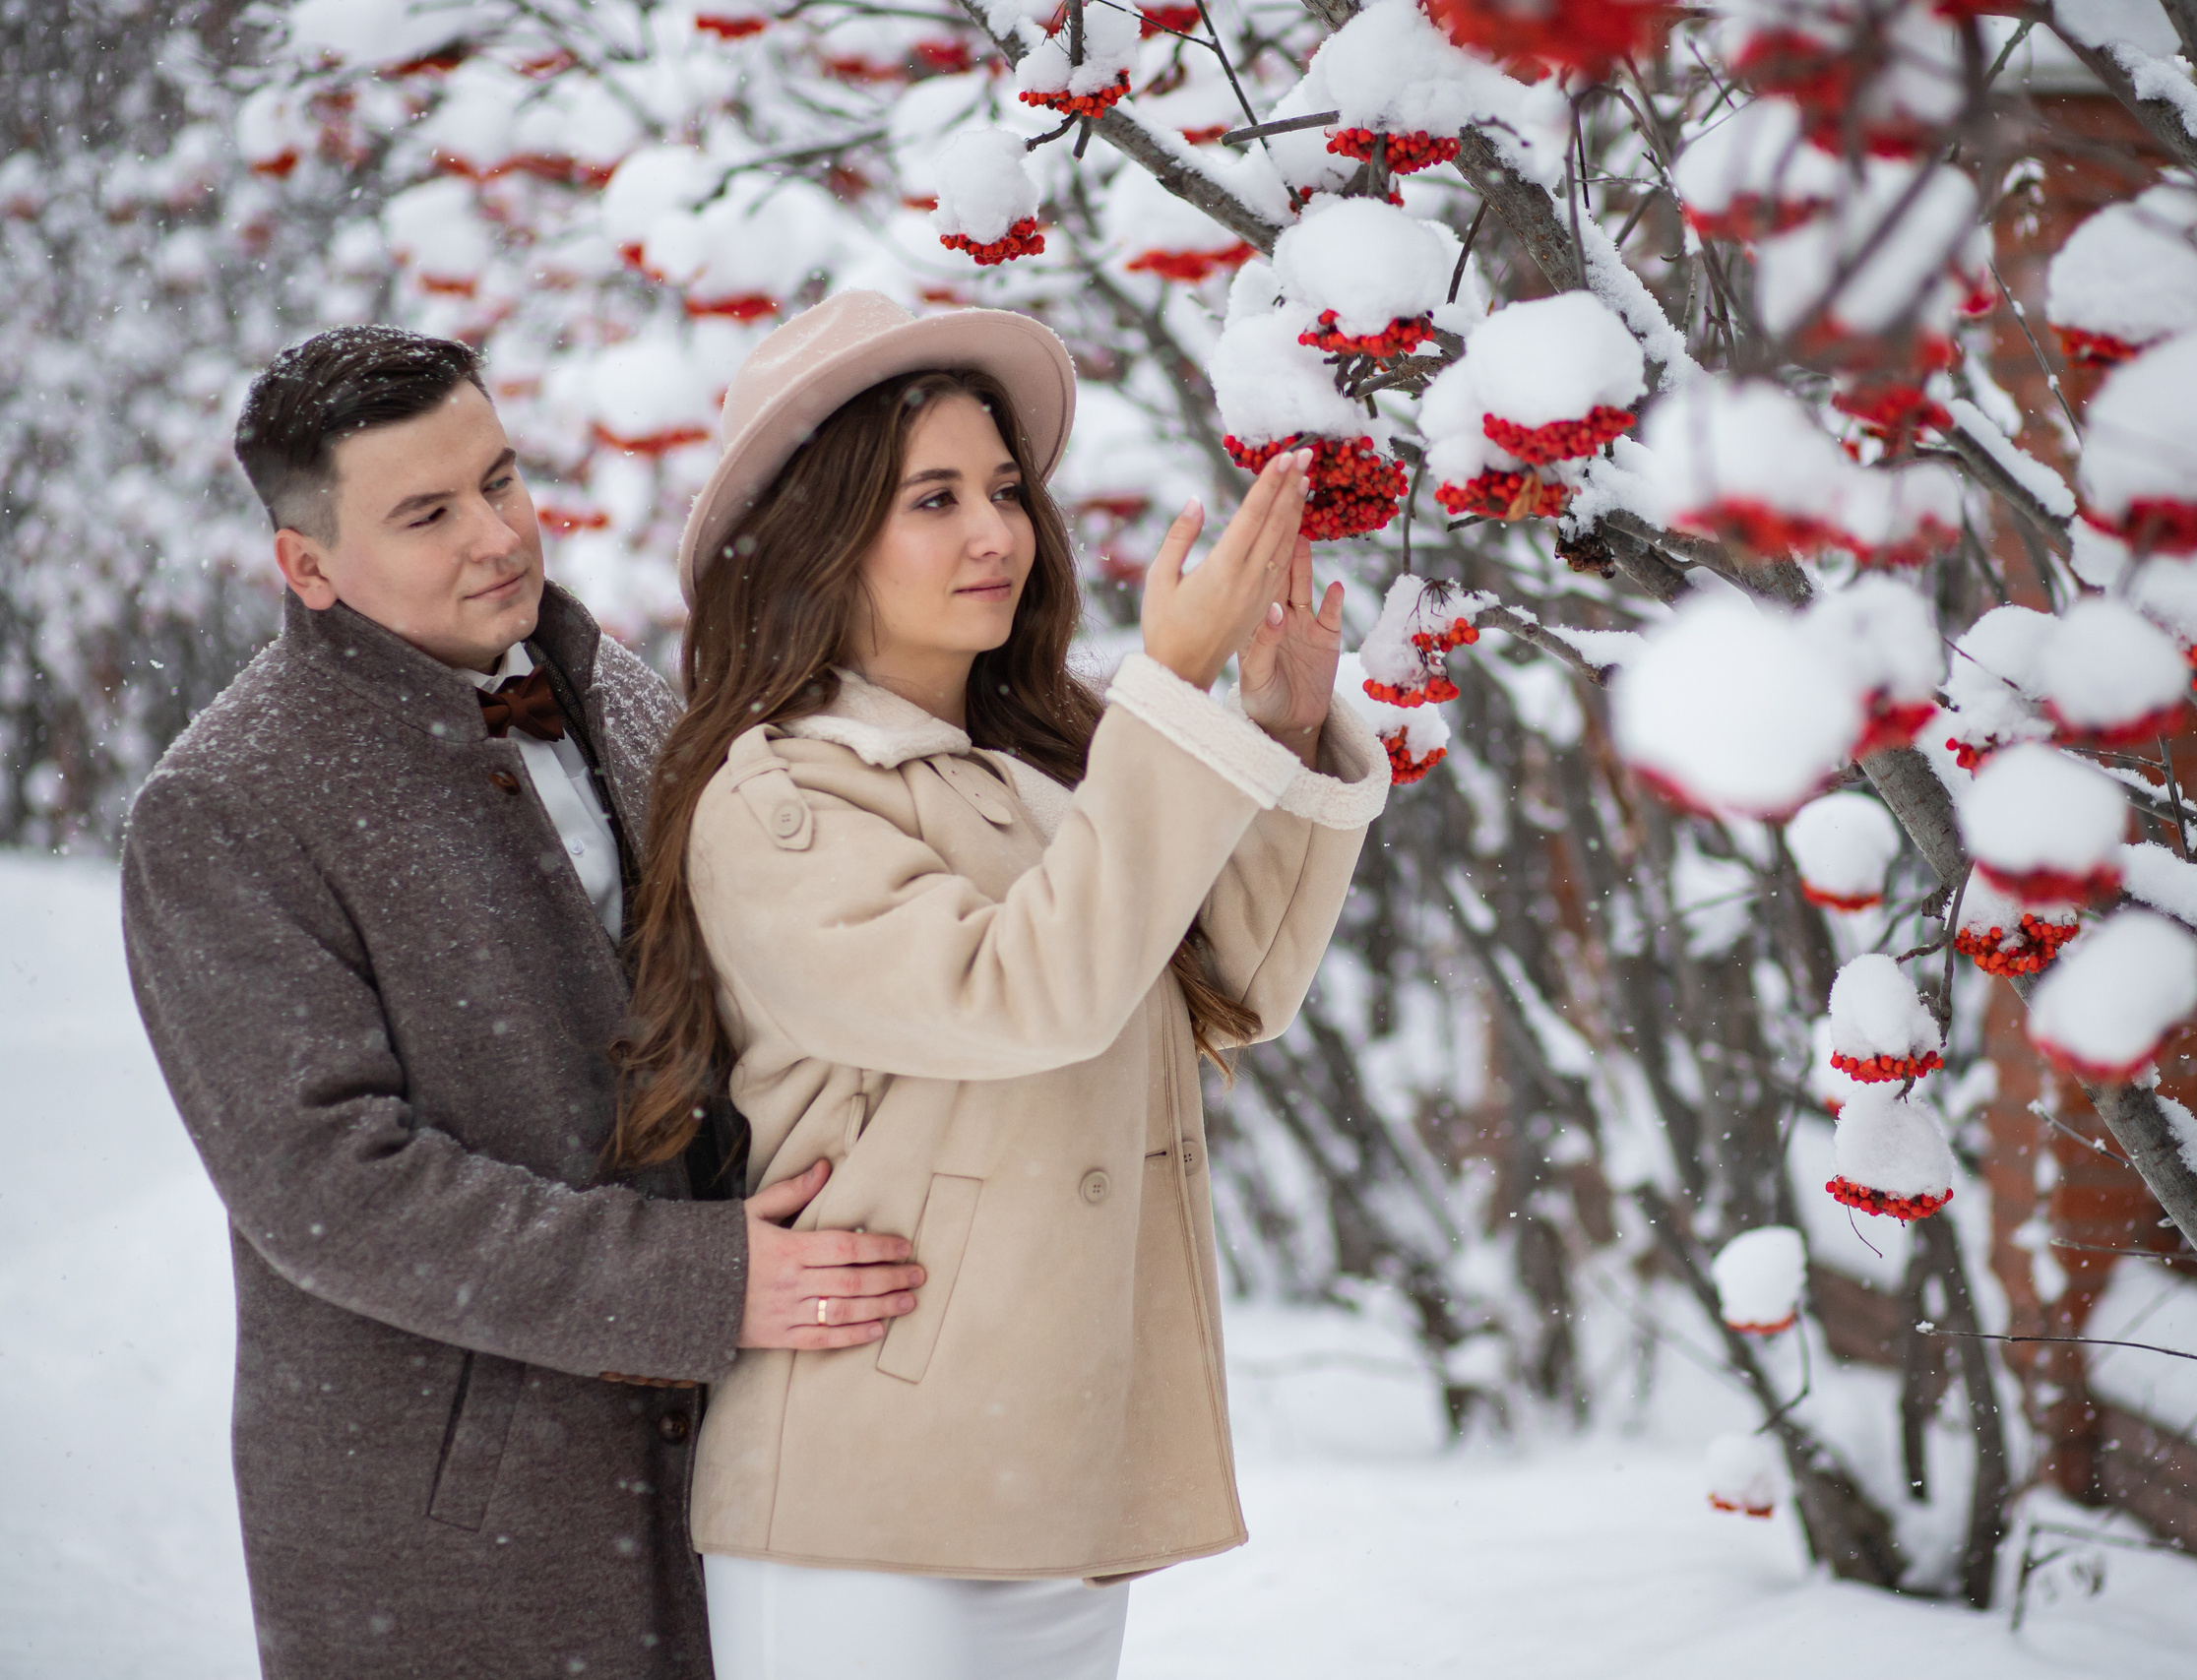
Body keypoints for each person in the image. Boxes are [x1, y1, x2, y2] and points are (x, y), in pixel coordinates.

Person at [119, 326, 927, 1679]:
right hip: (461, 1531)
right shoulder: (224, 808)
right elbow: (329, 1189)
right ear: (306, 566)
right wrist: (701, 1280)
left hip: (733, 1469)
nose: (497, 535)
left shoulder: (613, 688)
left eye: (499, 479)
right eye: (427, 513)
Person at [608, 291, 1389, 1680]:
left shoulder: (1043, 771)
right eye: (935, 499)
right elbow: (1027, 997)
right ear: (818, 541)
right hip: (863, 1495)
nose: (997, 533)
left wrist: (1274, 724)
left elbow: (1230, 986)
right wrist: (1170, 690)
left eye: (1008, 490)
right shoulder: (781, 799)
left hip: (1050, 1471)